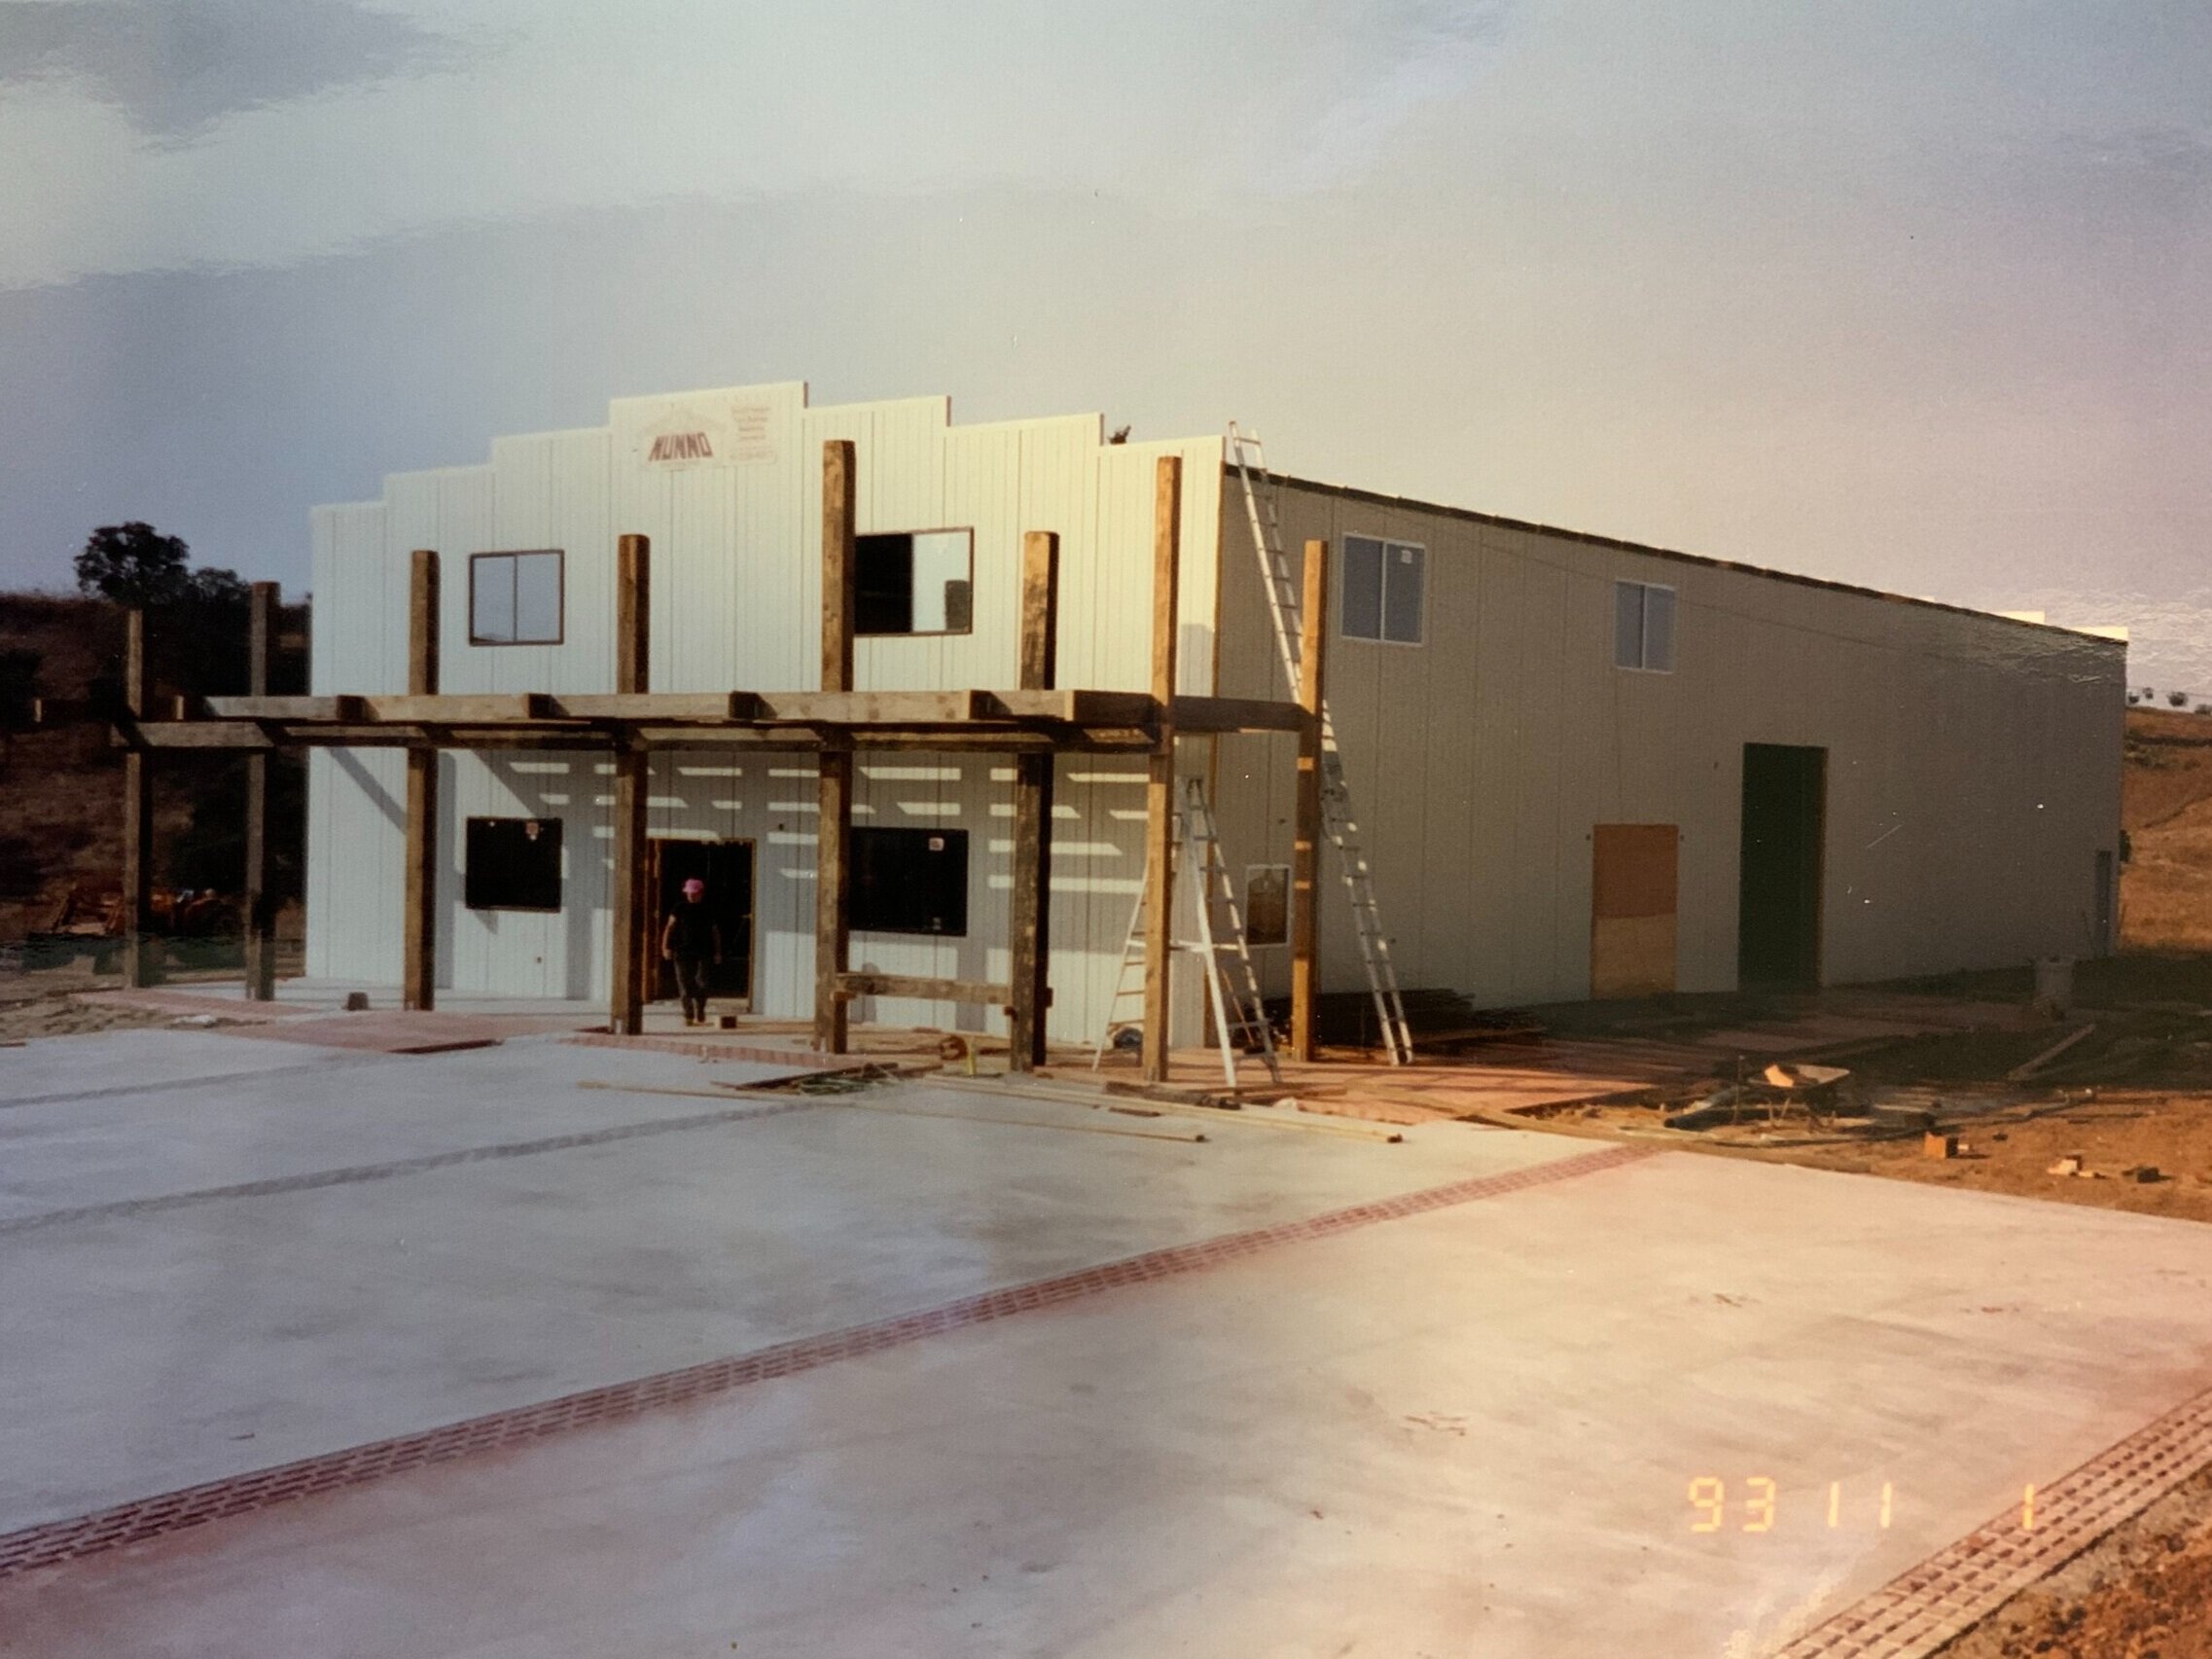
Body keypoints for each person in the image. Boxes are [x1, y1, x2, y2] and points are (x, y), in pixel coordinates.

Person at [660, 878, 723, 1026]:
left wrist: (718, 952)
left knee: (702, 983)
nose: (691, 896)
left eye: (694, 893)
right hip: (682, 951)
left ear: (701, 893)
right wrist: (665, 947)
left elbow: (715, 932)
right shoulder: (679, 908)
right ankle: (688, 1013)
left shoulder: (708, 909)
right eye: (689, 893)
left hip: (704, 951)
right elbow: (669, 928)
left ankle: (700, 1008)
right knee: (684, 983)